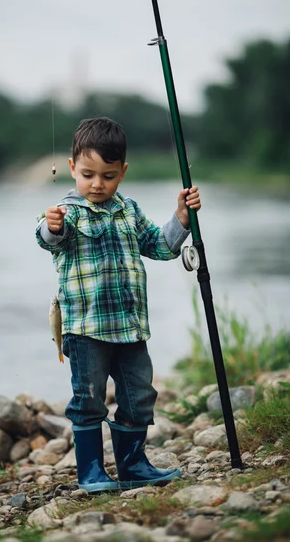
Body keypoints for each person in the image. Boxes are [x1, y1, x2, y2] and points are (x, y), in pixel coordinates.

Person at [35, 117, 201, 492]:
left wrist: (181, 218)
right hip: (85, 330)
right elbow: (47, 239)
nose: (98, 184)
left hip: (130, 328)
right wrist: (52, 226)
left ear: (122, 172)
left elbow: (159, 246)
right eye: (89, 174)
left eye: (108, 176)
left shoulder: (129, 210)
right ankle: (91, 470)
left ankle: (132, 464)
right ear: (73, 168)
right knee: (88, 399)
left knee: (140, 395)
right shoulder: (68, 213)